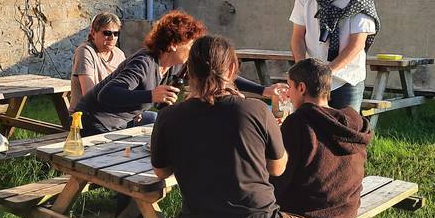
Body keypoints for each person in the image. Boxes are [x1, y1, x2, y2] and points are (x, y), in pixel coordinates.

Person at [151, 35, 342, 218]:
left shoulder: (169, 117)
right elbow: (277, 168)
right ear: (231, 70)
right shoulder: (254, 110)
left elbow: (162, 172)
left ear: (190, 72)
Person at [75, 11, 286, 136]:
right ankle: (128, 200)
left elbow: (217, 74)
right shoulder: (144, 62)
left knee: (163, 125)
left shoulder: (178, 64)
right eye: (190, 43)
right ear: (174, 44)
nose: (193, 48)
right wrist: (149, 96)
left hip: (124, 120)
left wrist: (264, 90)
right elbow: (106, 94)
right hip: (95, 123)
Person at [272, 58, 372, 218]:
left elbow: (280, 177)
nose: (288, 94)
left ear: (301, 88)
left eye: (290, 87)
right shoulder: (353, 119)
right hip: (347, 212)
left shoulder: (299, 122)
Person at [290, 0, 380, 112]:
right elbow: (297, 37)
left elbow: (357, 44)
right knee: (309, 129)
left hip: (345, 79)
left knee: (345, 132)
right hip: (312, 79)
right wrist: (301, 70)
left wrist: (328, 72)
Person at [69, 12, 127, 110]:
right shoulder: (85, 51)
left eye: (116, 33)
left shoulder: (119, 54)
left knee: (153, 118)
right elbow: (89, 95)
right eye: (107, 33)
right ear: (93, 33)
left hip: (114, 113)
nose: (112, 38)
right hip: (86, 115)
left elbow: (127, 86)